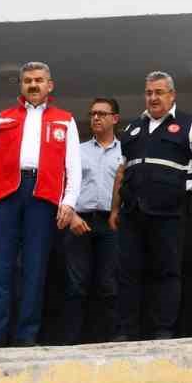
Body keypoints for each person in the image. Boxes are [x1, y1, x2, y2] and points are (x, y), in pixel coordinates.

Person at [0, 62, 83, 347]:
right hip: (8, 192)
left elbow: (73, 164)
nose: (33, 85)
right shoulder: (5, 117)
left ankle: (27, 334)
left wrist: (69, 201)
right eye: (27, 81)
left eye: (38, 80)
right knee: (1, 266)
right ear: (21, 85)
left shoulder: (65, 119)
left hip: (44, 194)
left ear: (50, 85)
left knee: (35, 267)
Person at [110, 72, 192, 341]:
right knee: (128, 272)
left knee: (166, 271)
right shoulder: (133, 128)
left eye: (159, 92)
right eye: (149, 93)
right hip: (132, 212)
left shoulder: (191, 124)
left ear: (172, 95)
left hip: (170, 212)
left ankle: (164, 330)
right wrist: (114, 209)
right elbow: (122, 172)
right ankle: (127, 330)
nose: (153, 98)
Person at [64, 98, 121, 344]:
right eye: (92, 114)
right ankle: (74, 340)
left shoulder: (126, 151)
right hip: (80, 221)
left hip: (112, 222)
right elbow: (62, 185)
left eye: (102, 114)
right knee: (76, 284)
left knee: (109, 283)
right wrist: (72, 215)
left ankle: (109, 339)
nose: (96, 118)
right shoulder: (76, 150)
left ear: (115, 118)